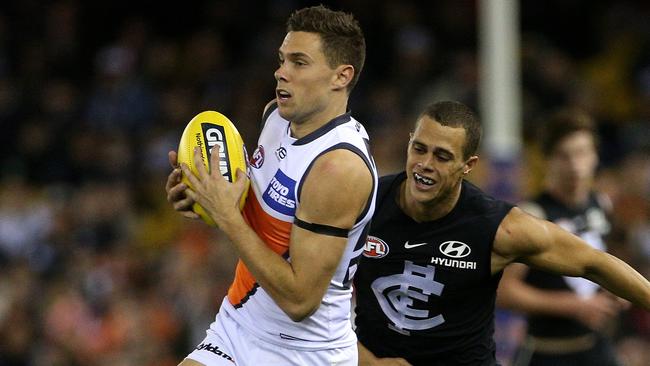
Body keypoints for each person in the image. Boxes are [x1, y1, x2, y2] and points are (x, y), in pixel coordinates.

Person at [352, 101, 650, 366]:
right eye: (419, 148)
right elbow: (314, 299)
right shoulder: (363, 204)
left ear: (468, 165)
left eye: (442, 156)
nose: (425, 165)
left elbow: (592, 263)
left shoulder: (497, 226)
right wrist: (369, 362)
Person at [166, 5, 377, 366]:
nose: (281, 72)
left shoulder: (338, 167)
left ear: (341, 76)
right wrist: (203, 197)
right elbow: (260, 215)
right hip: (239, 325)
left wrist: (226, 215)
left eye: (299, 62)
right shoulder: (275, 118)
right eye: (281, 60)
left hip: (304, 353)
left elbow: (300, 300)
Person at [496, 109, 628, 366]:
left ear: (595, 155)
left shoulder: (599, 204)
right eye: (564, 155)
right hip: (547, 352)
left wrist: (615, 290)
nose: (575, 166)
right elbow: (505, 292)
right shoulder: (533, 216)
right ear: (546, 159)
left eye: (582, 153)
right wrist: (573, 305)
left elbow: (605, 261)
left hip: (596, 347)